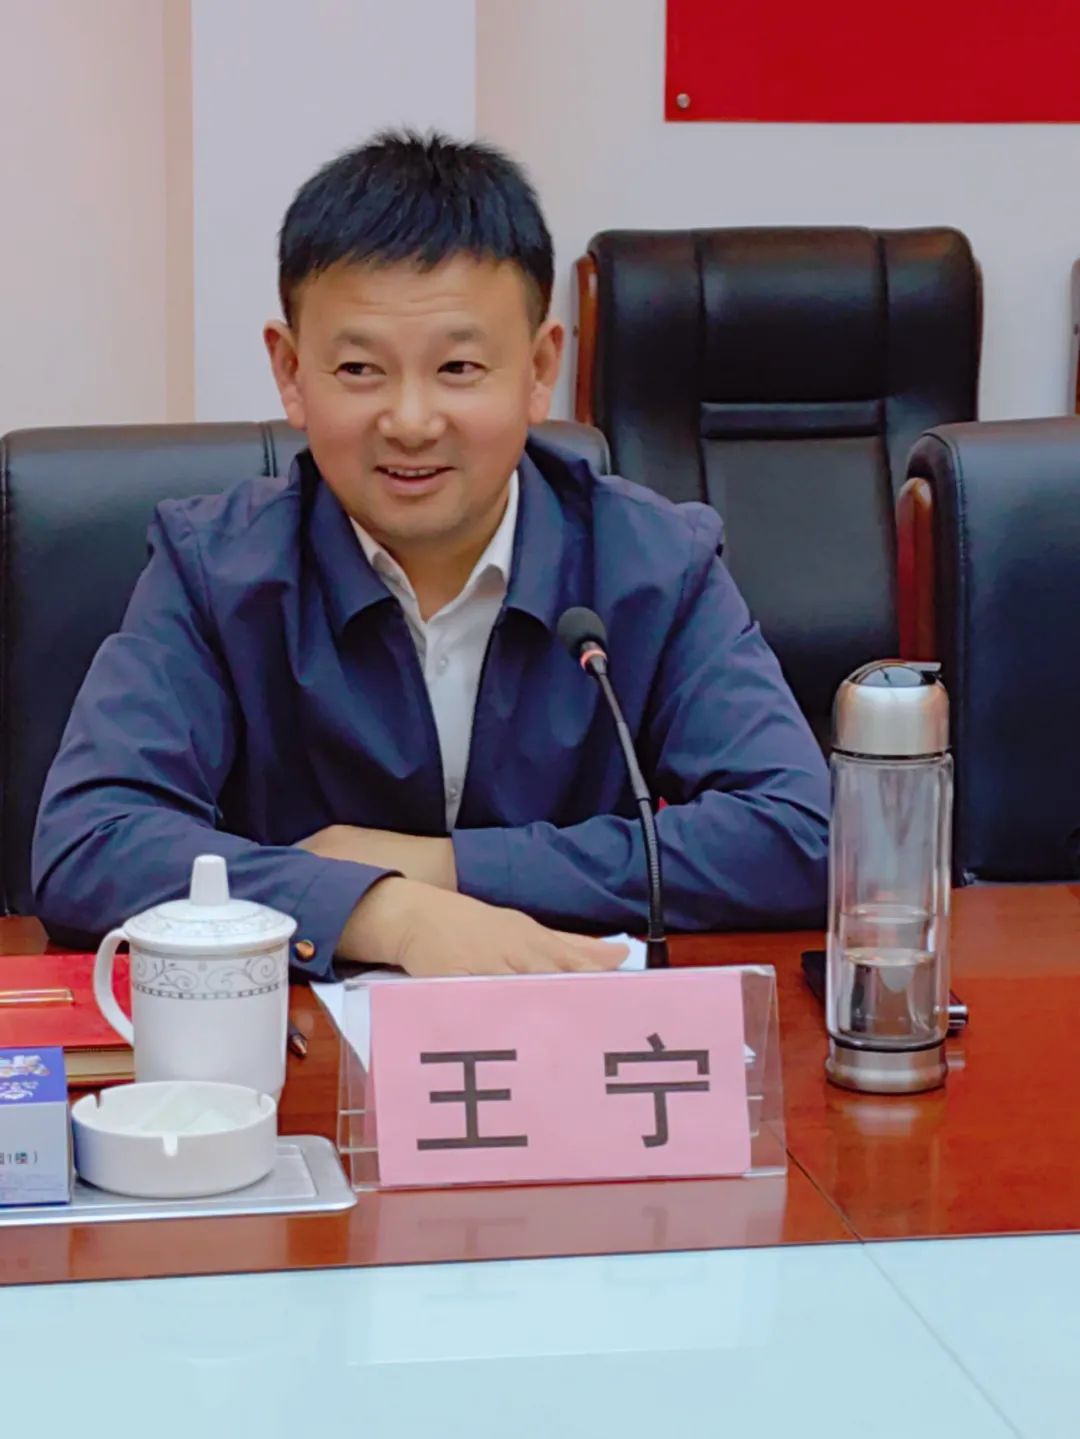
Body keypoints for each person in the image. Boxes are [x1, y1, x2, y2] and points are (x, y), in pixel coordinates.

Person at [32, 131, 830, 981]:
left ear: (539, 369)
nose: (411, 421)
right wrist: (381, 909)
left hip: (565, 1037)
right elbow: (89, 841)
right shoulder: (214, 570)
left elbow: (801, 833)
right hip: (290, 1049)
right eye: (359, 369)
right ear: (292, 371)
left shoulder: (654, 562)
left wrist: (449, 868)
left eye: (458, 366)